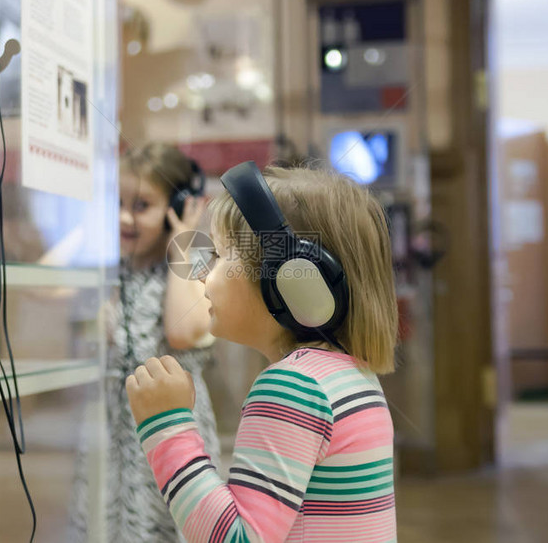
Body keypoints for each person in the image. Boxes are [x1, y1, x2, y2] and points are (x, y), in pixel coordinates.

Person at [125, 162, 399, 542]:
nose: (203, 273)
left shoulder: (292, 387)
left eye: (220, 256)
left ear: (290, 276)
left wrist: (166, 425)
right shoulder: (350, 375)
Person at [69, 143, 221, 543]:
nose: (124, 216)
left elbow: (183, 330)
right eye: (116, 202)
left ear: (177, 204)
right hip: (112, 426)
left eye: (141, 205)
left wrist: (184, 237)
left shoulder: (195, 257)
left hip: (171, 427)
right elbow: (46, 287)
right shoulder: (111, 265)